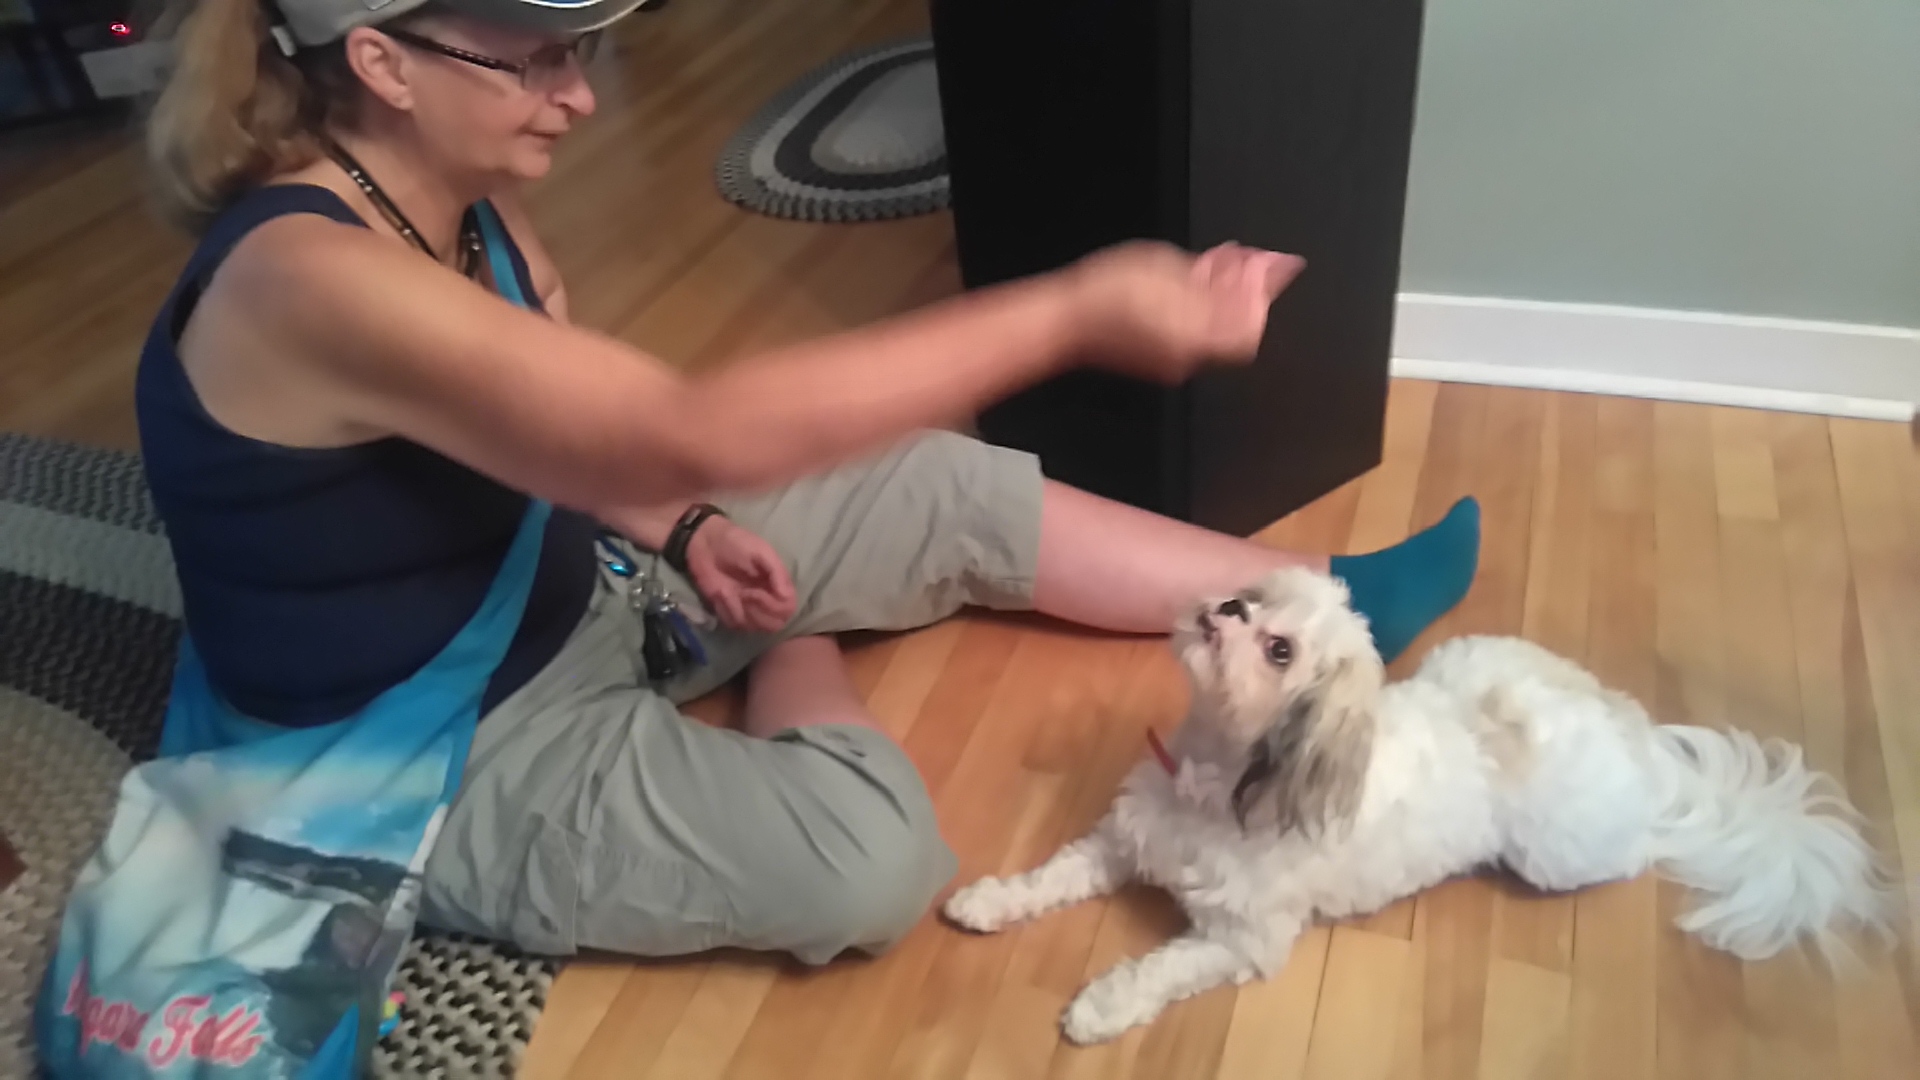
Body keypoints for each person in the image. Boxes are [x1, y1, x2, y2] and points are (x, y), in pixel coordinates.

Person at [136, 0, 1480, 967]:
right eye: (535, 59)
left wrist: (686, 527)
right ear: (382, 61)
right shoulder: (304, 279)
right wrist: (1077, 310)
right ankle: (793, 645)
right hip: (440, 749)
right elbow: (684, 428)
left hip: (568, 585)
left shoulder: (464, 204)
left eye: (578, 52)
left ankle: (1327, 605)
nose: (581, 96)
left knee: (932, 483)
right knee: (868, 862)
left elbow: (574, 449)